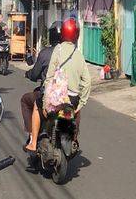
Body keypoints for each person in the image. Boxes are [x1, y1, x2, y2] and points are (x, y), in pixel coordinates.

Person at [24, 18, 91, 153]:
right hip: (72, 100)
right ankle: (74, 139)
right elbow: (87, 81)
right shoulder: (79, 55)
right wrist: (82, 103)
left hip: (56, 99)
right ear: (76, 35)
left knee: (37, 106)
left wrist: (45, 102)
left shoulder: (58, 50)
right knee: (76, 111)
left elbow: (49, 78)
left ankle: (33, 142)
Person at [21, 21, 61, 144]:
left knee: (25, 100)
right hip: (68, 96)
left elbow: (34, 74)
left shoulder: (45, 53)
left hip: (49, 95)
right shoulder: (73, 53)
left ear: (51, 36)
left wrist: (28, 74)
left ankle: (33, 136)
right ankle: (74, 138)